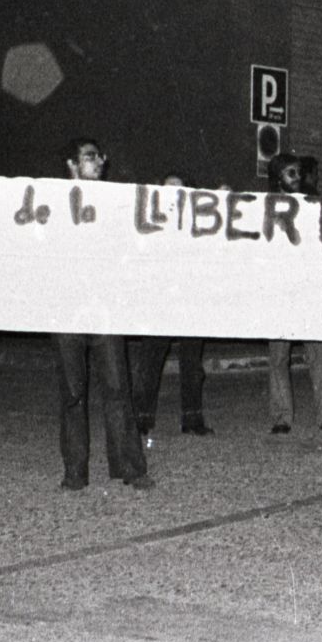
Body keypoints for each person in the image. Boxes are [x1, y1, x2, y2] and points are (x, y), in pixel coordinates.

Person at [51, 138, 152, 491]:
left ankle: (129, 467)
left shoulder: (115, 205)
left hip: (106, 309)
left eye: (99, 157)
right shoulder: (55, 205)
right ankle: (75, 472)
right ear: (72, 165)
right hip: (69, 311)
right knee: (73, 393)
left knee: (117, 388)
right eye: (89, 157)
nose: (98, 162)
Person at [131, 173, 212, 441]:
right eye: (168, 189)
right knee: (150, 362)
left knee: (192, 364)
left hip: (189, 302)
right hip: (160, 301)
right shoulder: (152, 223)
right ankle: (142, 419)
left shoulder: (195, 224)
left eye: (179, 189)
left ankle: (192, 418)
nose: (174, 194)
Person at [265, 153, 322, 434]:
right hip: (281, 292)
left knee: (319, 354)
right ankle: (281, 417)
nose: (297, 178)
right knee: (279, 358)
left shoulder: (314, 205)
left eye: (297, 172)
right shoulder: (267, 209)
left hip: (309, 291)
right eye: (290, 173)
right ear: (278, 179)